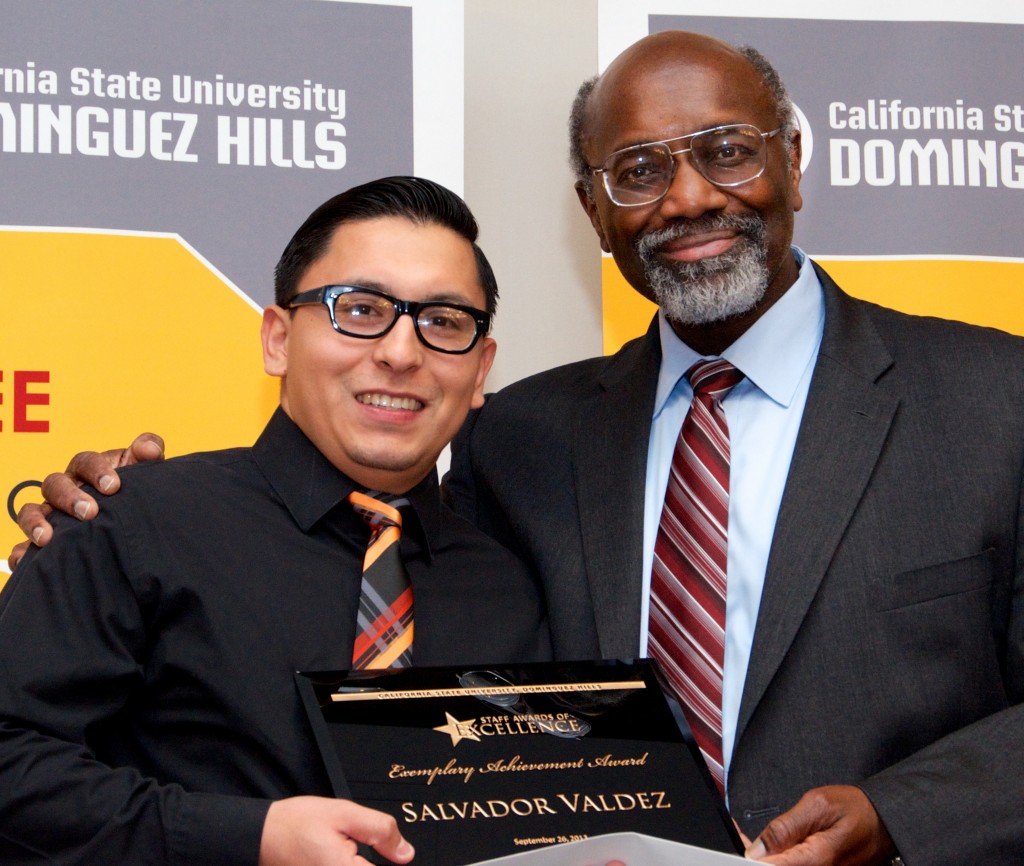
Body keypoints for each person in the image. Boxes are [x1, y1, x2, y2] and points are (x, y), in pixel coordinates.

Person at [12, 31, 1024, 866]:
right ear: (594, 211)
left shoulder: (996, 397)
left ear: (793, 161)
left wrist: (903, 813)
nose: (684, 198)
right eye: (637, 171)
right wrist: (100, 515)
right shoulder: (524, 442)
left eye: (726, 148)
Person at [0, 176, 549, 866]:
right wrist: (248, 838)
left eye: (443, 322)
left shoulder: (508, 587)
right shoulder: (131, 522)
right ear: (278, 339)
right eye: (360, 308)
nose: (403, 353)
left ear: (479, 372)